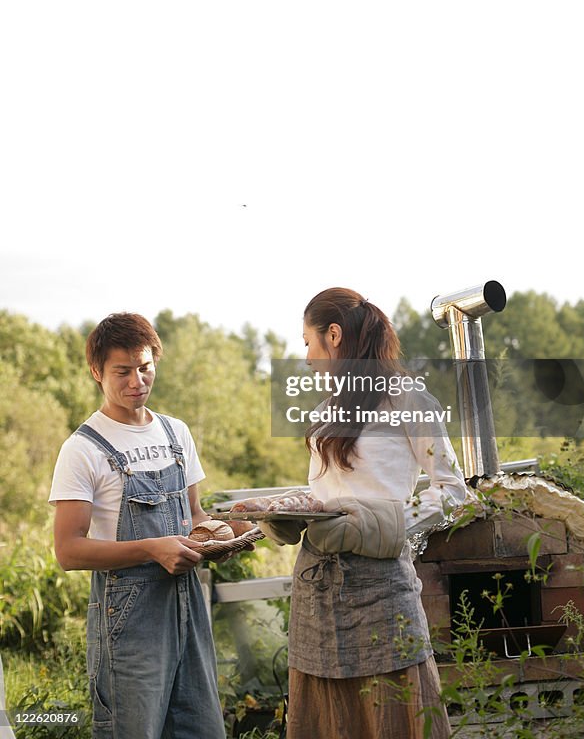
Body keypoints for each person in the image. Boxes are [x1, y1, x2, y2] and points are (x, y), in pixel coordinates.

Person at [266, 288, 471, 739]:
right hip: (317, 590)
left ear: (333, 336)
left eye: (307, 341)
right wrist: (291, 509)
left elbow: (454, 492)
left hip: (382, 591)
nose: (305, 357)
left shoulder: (409, 400)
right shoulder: (324, 413)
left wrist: (385, 521)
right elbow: (332, 495)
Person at [50, 312, 251, 739]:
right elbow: (68, 551)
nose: (136, 381)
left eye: (145, 368)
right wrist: (151, 549)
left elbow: (196, 517)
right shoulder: (82, 449)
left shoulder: (176, 433)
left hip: (189, 609)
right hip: (128, 619)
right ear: (96, 372)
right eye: (122, 372)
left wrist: (239, 529)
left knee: (203, 729)